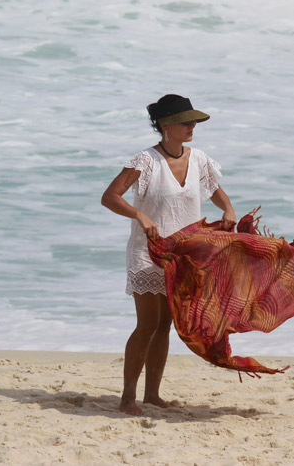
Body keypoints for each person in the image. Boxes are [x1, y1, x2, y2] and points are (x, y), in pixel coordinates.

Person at [101, 94, 237, 415]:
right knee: (147, 324)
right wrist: (139, 215)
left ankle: (152, 395)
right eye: (185, 121)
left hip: (183, 256)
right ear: (165, 125)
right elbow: (110, 196)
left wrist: (228, 209)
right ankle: (127, 398)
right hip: (148, 253)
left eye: (193, 121)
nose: (192, 126)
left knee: (166, 326)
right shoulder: (145, 161)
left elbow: (215, 192)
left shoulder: (200, 159)